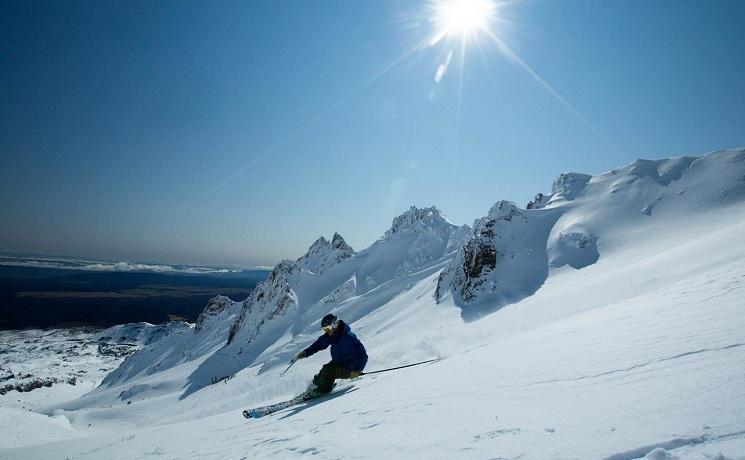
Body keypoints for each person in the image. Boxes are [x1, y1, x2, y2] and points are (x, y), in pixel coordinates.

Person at [291, 313, 368, 400]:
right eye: (324, 329)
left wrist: (357, 370)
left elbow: (363, 355)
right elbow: (319, 344)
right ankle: (314, 386)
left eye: (327, 328)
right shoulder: (333, 335)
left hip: (350, 369)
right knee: (323, 371)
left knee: (328, 370)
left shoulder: (348, 337)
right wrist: (305, 353)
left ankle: (322, 391)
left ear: (334, 324)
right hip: (340, 363)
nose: (326, 331)